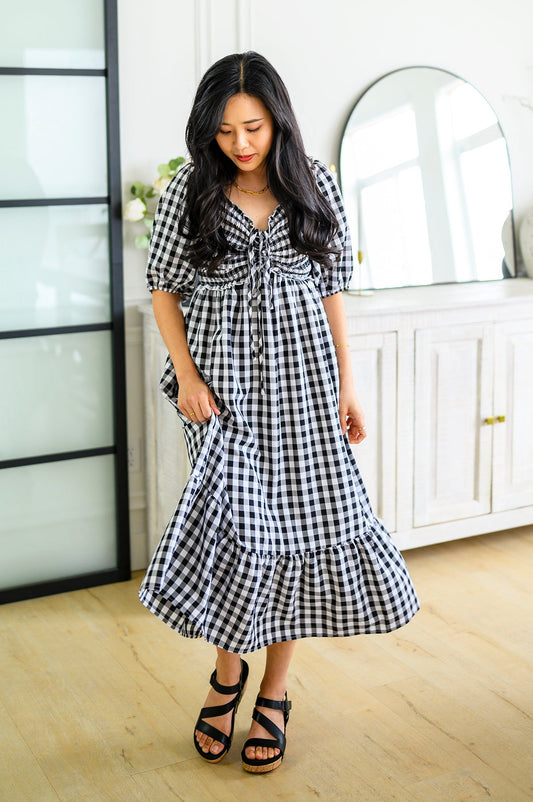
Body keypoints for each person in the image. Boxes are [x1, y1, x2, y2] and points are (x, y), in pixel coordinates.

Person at [139, 51, 419, 774]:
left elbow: (332, 289)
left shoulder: (311, 183)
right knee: (238, 535)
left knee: (298, 534)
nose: (240, 143)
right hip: (222, 393)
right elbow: (164, 288)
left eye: (253, 127)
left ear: (277, 122)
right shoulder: (187, 192)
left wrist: (346, 385)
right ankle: (227, 673)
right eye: (227, 129)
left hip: (303, 386)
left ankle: (274, 691)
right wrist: (189, 376)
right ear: (208, 129)